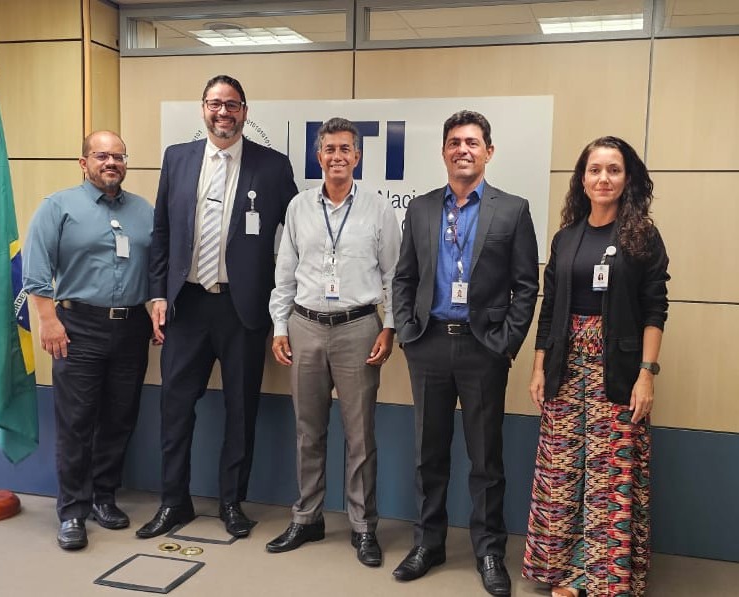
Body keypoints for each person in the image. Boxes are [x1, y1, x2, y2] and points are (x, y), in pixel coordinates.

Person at [136, 75, 297, 540]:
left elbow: (295, 233)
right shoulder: (178, 158)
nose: (222, 112)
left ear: (245, 111)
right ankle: (174, 502)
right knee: (174, 408)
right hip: (185, 306)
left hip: (242, 309)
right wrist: (158, 294)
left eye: (231, 104)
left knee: (241, 411)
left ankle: (231, 502)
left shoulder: (272, 166)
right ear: (203, 108)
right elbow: (162, 232)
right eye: (214, 103)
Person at [392, 110, 539, 596]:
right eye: (454, 142)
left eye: (473, 142)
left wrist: (506, 344)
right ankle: (427, 543)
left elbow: (526, 285)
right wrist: (409, 333)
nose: (463, 150)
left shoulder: (512, 210)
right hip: (429, 343)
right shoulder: (421, 209)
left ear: (488, 152)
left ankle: (489, 551)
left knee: (485, 457)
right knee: (427, 454)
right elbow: (404, 277)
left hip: (483, 349)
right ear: (443, 151)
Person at [522, 136, 669, 597]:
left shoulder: (641, 235)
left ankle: (600, 577)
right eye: (594, 170)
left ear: (628, 179)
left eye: (614, 170)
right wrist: (539, 366)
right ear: (582, 180)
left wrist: (646, 374)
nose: (603, 178)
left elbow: (655, 309)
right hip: (565, 364)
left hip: (617, 367)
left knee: (608, 472)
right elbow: (549, 308)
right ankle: (562, 569)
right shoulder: (567, 237)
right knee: (562, 468)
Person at [266, 118, 400, 566]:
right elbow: (285, 274)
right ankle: (307, 517)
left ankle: (363, 527)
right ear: (318, 156)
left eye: (346, 149)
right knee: (308, 431)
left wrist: (389, 327)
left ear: (357, 156)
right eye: (330, 149)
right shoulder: (299, 207)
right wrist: (280, 326)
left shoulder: (379, 209)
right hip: (304, 326)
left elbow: (394, 275)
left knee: (360, 434)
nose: (337, 156)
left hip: (358, 327)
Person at [23, 131, 153, 550]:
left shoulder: (143, 211)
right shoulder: (58, 206)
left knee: (119, 418)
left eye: (118, 156)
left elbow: (156, 268)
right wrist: (48, 321)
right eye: (101, 156)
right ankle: (72, 512)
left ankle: (103, 497)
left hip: (131, 327)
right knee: (77, 423)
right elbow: (36, 269)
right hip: (77, 327)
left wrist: (155, 307)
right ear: (84, 163)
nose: (111, 162)